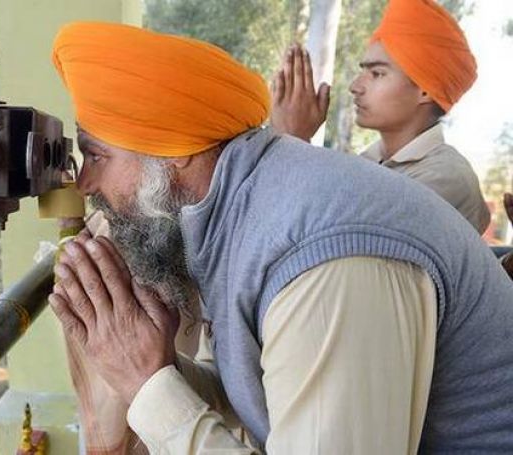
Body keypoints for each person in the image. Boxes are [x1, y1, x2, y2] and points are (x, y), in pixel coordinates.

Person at [49, 20, 513, 455]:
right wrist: (146, 361)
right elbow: (257, 385)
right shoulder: (237, 214)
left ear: (170, 153)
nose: (86, 184)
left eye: (96, 156)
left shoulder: (319, 252)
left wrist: (146, 385)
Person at [271, 0, 490, 234]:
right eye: (362, 71)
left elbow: (341, 239)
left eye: (377, 74)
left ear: (425, 90)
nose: (355, 86)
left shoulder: (446, 178)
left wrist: (294, 142)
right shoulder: (365, 162)